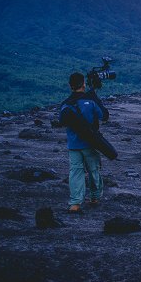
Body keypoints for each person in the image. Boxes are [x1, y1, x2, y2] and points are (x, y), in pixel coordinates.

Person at [58, 72, 106, 212]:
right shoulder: (90, 100)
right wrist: (95, 96)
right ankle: (95, 197)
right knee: (93, 170)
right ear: (84, 84)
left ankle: (75, 203)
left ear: (70, 86)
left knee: (75, 172)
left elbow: (62, 121)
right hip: (90, 143)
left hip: (73, 145)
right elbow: (104, 116)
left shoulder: (65, 104)